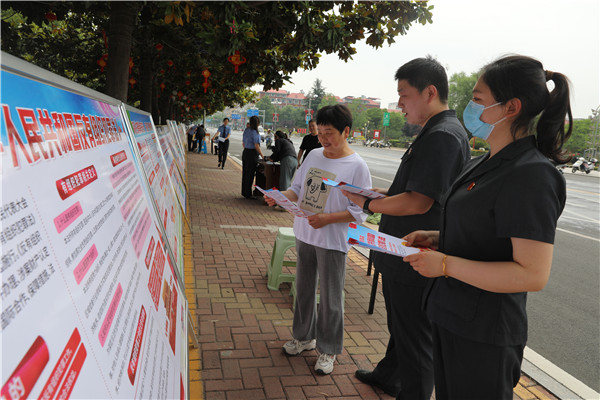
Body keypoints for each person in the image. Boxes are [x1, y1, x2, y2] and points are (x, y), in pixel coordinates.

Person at [403, 55, 571, 399]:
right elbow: (487, 232)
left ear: (511, 107)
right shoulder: (485, 161)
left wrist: (446, 264)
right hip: (451, 316)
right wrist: (438, 238)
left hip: (484, 334)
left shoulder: (531, 174)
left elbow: (531, 274)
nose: (470, 107)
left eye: (478, 100)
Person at [342, 56, 470, 399]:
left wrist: (368, 204)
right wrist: (372, 193)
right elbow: (410, 189)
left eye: (403, 95)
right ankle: (389, 376)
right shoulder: (434, 131)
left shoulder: (441, 135)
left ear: (429, 92)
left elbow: (419, 201)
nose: (398, 103)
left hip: (414, 255)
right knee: (402, 326)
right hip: (403, 252)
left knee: (416, 340)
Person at [264, 104, 372, 375]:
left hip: (333, 240)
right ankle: (303, 337)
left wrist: (328, 218)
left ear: (347, 131)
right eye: (320, 132)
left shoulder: (357, 166)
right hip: (305, 233)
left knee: (331, 298)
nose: (324, 139)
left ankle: (329, 349)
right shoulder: (313, 154)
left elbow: (360, 213)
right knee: (303, 289)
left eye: (330, 133)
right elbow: (298, 189)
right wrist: (279, 196)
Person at [241, 115, 264, 199]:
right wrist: (262, 155)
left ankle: (245, 192)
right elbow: (256, 145)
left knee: (245, 173)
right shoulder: (255, 132)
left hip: (246, 152)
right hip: (252, 154)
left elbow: (243, 143)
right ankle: (248, 194)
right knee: (250, 174)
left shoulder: (246, 130)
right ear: (257, 123)